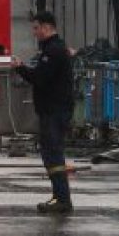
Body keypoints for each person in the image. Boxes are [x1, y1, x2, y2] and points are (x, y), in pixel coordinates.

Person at [13, 11, 75, 214]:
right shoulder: (54, 49)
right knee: (51, 154)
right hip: (54, 111)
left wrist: (20, 68)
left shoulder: (53, 51)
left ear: (47, 28)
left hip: (54, 112)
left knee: (53, 155)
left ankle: (62, 199)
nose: (34, 32)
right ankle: (59, 197)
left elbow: (40, 78)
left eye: (36, 27)